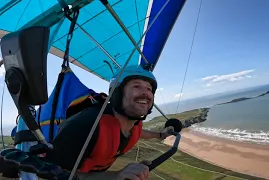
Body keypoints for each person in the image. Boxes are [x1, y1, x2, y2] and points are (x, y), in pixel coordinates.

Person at [45, 65, 174, 180]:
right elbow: (52, 174)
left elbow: (138, 132)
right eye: (136, 86)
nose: (146, 93)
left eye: (149, 89)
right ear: (117, 93)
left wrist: (160, 135)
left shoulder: (133, 124)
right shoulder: (84, 126)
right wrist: (116, 176)